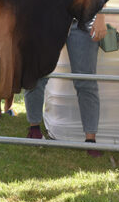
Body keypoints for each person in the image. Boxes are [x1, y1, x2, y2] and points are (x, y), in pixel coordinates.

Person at [25, 14, 107, 158]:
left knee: (86, 81)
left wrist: (100, 16)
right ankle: (34, 130)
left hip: (84, 19)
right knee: (36, 73)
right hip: (50, 16)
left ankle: (90, 140)